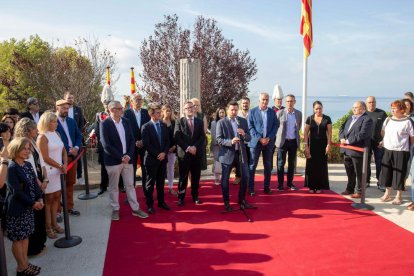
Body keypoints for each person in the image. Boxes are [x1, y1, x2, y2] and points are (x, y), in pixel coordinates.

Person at [100, 101, 148, 221]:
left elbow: (132, 140)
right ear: (112, 110)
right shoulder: (104, 124)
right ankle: (115, 209)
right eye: (120, 108)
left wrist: (128, 156)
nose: (123, 110)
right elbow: (106, 144)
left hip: (127, 160)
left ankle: (135, 209)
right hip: (113, 161)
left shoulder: (126, 121)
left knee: (130, 185)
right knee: (114, 187)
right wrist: (120, 157)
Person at [5, 137, 43, 275]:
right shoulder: (11, 168)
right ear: (16, 149)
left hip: (29, 208)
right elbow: (16, 192)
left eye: (28, 149)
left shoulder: (27, 165)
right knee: (17, 239)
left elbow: (34, 184)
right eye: (24, 149)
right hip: (17, 209)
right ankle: (21, 267)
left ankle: (25, 263)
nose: (27, 151)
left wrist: (39, 198)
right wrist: (33, 203)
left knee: (25, 236)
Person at [14, 118, 48, 255]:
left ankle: (40, 243)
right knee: (33, 216)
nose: (37, 131)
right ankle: (34, 248)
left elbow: (40, 161)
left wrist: (45, 179)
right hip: (29, 184)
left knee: (40, 215)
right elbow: (27, 167)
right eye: (34, 128)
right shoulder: (21, 144)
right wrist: (38, 182)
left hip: (39, 181)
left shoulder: (32, 142)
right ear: (27, 129)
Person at [216, 101, 252, 211]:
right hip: (227, 155)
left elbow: (249, 138)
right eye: (232, 110)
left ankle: (242, 200)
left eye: (236, 110)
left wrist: (243, 134)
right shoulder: (221, 122)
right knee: (225, 179)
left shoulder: (242, 121)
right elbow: (218, 139)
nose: (234, 112)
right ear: (227, 110)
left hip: (241, 154)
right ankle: (226, 202)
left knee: (245, 177)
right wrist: (230, 142)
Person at [37, 111, 66, 239]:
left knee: (56, 197)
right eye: (54, 121)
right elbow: (44, 157)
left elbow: (63, 149)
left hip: (59, 170)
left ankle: (54, 223)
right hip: (48, 171)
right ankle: (48, 226)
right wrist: (60, 166)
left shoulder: (56, 133)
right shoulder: (42, 137)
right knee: (48, 200)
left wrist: (64, 164)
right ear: (47, 123)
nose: (57, 123)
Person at [379, 100, 414, 205]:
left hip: (402, 151)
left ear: (402, 110)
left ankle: (399, 196)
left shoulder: (408, 121)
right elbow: (383, 132)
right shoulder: (388, 119)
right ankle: (387, 193)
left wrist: (409, 148)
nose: (392, 110)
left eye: (395, 108)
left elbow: (412, 137)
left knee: (399, 173)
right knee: (386, 172)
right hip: (388, 149)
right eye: (392, 108)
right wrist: (385, 141)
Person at [339, 101, 373, 198]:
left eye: (356, 107)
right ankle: (349, 189)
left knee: (359, 173)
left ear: (363, 108)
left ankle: (360, 191)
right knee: (349, 171)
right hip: (346, 149)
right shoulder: (350, 117)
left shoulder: (367, 119)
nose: (354, 109)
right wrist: (342, 138)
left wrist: (348, 141)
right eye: (353, 107)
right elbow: (342, 128)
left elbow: (362, 134)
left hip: (358, 150)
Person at [174, 101, 205, 206]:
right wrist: (188, 148)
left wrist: (195, 147)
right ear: (184, 110)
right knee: (183, 177)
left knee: (196, 177)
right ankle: (181, 197)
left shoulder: (199, 122)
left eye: (191, 107)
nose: (190, 109)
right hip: (184, 154)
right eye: (187, 108)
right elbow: (177, 137)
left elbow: (202, 137)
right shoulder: (179, 121)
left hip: (196, 154)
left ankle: (195, 196)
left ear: (194, 108)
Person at [141, 103, 170, 214]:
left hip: (162, 159)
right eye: (158, 112)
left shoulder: (163, 125)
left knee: (161, 183)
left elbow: (167, 141)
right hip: (151, 160)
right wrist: (158, 154)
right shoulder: (146, 127)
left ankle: (161, 202)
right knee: (150, 183)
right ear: (151, 114)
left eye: (160, 112)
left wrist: (164, 153)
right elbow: (147, 144)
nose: (160, 114)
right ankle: (149, 205)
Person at [248, 92, 278, 195]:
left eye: (266, 100)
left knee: (268, 165)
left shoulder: (272, 112)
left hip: (268, 143)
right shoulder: (252, 112)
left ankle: (266, 187)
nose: (265, 101)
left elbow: (275, 126)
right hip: (256, 142)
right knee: (252, 166)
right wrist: (260, 138)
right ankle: (251, 188)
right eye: (263, 99)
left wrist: (269, 138)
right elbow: (250, 127)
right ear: (259, 100)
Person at [55, 99, 82, 216]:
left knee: (70, 183)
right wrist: (68, 148)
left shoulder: (71, 121)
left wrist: (76, 147)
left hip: (73, 157)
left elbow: (78, 135)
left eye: (68, 108)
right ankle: (57, 211)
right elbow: (55, 139)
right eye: (64, 108)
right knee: (58, 185)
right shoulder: (52, 122)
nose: (66, 111)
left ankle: (69, 207)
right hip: (59, 158)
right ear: (57, 108)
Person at [303, 101, 332, 193]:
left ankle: (319, 186)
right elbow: (305, 133)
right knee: (311, 166)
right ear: (313, 109)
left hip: (323, 146)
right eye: (316, 108)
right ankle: (311, 186)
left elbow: (330, 133)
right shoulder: (310, 119)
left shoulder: (327, 118)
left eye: (320, 108)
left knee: (321, 166)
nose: (318, 110)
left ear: (322, 108)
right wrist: (306, 146)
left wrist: (328, 145)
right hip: (312, 146)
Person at [275, 94, 302, 191]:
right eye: (288, 101)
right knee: (281, 163)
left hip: (293, 142)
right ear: (285, 102)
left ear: (294, 102)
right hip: (283, 142)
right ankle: (280, 184)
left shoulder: (299, 114)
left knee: (291, 164)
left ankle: (290, 183)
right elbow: (275, 127)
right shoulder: (280, 113)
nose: (289, 103)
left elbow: (298, 127)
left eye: (291, 101)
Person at [123, 93, 150, 184]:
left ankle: (146, 191)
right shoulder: (126, 113)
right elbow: (126, 130)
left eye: (140, 99)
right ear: (131, 101)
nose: (139, 101)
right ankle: (131, 191)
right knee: (132, 169)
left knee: (145, 167)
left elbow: (148, 128)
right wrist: (135, 142)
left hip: (144, 144)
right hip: (132, 145)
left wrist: (143, 141)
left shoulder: (146, 112)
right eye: (137, 100)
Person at [365, 96, 388, 191]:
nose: (371, 104)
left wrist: (384, 141)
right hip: (366, 142)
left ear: (376, 103)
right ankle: (366, 181)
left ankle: (380, 182)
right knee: (366, 162)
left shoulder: (382, 113)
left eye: (373, 102)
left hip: (379, 143)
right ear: (366, 103)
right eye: (369, 102)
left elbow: (387, 128)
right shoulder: (363, 113)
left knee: (380, 163)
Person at [63, 90, 86, 184]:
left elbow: (81, 123)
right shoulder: (63, 110)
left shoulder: (78, 109)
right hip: (66, 137)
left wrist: (78, 134)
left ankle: (80, 176)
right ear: (64, 98)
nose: (71, 100)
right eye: (69, 98)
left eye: (72, 98)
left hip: (77, 137)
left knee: (78, 158)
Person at [161, 104, 178, 195]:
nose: (168, 112)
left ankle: (170, 187)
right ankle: (161, 188)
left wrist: (174, 146)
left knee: (171, 168)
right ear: (162, 111)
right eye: (166, 110)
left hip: (172, 149)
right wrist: (164, 149)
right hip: (162, 150)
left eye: (169, 110)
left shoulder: (174, 122)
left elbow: (177, 135)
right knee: (162, 169)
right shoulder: (159, 122)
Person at [190, 98, 208, 170]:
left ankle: (196, 180)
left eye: (197, 105)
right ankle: (189, 181)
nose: (195, 107)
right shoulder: (186, 115)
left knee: (198, 165)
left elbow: (205, 130)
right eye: (194, 105)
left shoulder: (202, 116)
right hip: (189, 143)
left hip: (200, 142)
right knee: (189, 165)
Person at [210, 107, 226, 185]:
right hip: (216, 146)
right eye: (220, 113)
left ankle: (224, 178)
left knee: (224, 162)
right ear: (217, 114)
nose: (221, 114)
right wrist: (218, 143)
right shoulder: (213, 123)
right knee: (217, 162)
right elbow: (213, 135)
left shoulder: (227, 122)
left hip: (226, 145)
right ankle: (216, 178)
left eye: (223, 112)